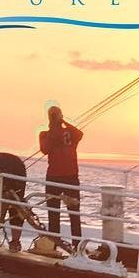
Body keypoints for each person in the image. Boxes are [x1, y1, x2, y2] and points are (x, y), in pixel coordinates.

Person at [40, 104, 84, 249]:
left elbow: (80, 134)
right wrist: (56, 126)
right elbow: (45, 149)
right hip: (55, 176)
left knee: (74, 213)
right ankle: (54, 244)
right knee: (53, 212)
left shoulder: (69, 132)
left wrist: (63, 122)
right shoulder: (45, 134)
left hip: (69, 176)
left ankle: (77, 245)